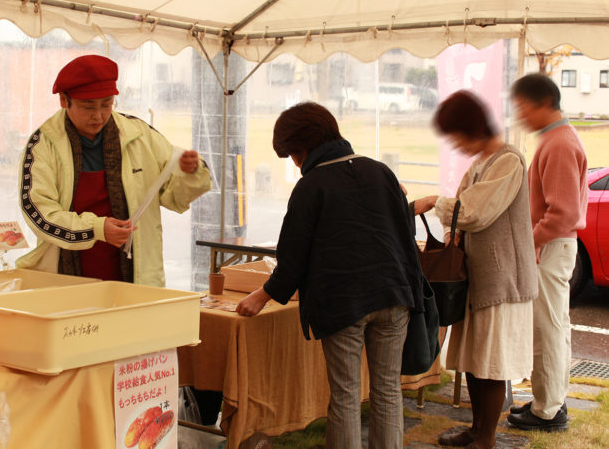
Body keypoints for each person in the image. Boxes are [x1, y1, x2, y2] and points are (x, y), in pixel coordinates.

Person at [236, 102, 423, 449]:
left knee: (347, 396)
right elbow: (404, 236)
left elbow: (292, 259)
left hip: (342, 304)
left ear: (303, 148)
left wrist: (260, 296)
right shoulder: (381, 172)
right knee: (387, 391)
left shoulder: (311, 187)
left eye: (292, 154)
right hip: (394, 296)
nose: (294, 163)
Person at [16, 55, 211, 287]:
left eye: (106, 104)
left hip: (136, 274)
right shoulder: (43, 143)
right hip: (64, 278)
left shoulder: (139, 134)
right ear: (64, 101)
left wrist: (189, 173)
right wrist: (97, 229)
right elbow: (39, 213)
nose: (98, 116)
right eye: (88, 107)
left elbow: (173, 198)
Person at [413, 90, 537, 449]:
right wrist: (452, 229)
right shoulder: (483, 161)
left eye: (456, 135)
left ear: (471, 128)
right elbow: (464, 213)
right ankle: (477, 429)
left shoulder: (508, 160)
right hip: (476, 277)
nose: (455, 144)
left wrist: (436, 202)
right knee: (473, 359)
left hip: (501, 279)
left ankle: (486, 436)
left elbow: (473, 211)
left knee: (490, 362)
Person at [506, 73, 588, 432]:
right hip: (551, 246)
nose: (520, 115)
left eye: (523, 107)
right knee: (552, 326)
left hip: (550, 247)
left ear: (542, 103)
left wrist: (531, 241)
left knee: (550, 328)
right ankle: (548, 401)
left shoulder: (559, 143)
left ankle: (548, 410)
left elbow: (563, 212)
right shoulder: (558, 139)